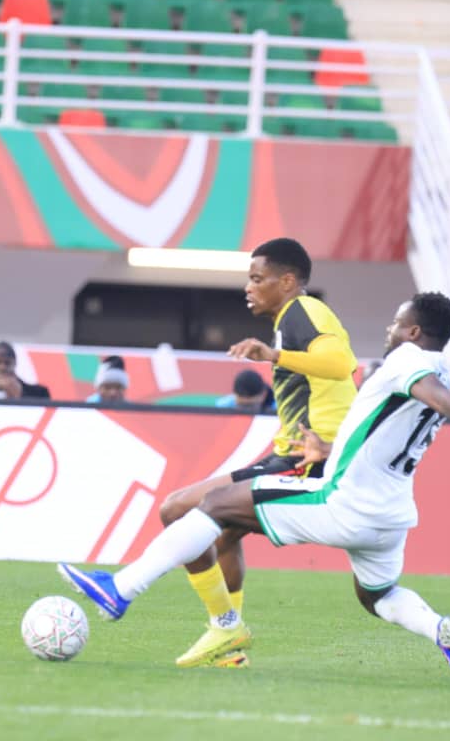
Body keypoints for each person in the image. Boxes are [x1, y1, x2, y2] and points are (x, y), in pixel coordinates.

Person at [59, 292, 450, 681]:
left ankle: (121, 589)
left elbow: (435, 395)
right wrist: (330, 450)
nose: (390, 330)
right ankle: (443, 632)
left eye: (397, 322)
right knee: (377, 596)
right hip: (390, 517)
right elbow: (389, 432)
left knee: (216, 504)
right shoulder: (439, 368)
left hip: (344, 503)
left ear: (414, 332)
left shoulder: (409, 360)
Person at [151, 238, 358, 668]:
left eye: (257, 278)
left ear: (287, 281)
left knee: (176, 509)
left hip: (307, 461)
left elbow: (342, 365)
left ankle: (224, 626)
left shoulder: (303, 311)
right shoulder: (291, 320)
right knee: (222, 535)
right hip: (292, 454)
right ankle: (229, 645)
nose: (249, 287)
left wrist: (275, 355)